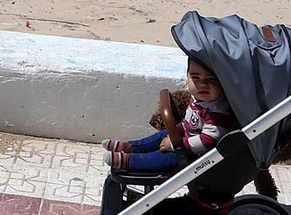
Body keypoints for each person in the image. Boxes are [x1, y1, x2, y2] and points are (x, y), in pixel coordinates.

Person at [102, 59, 238, 173]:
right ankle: (131, 147)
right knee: (163, 135)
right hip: (186, 137)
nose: (202, 84)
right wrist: (179, 129)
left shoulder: (218, 113)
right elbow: (190, 122)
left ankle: (130, 161)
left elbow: (207, 141)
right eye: (195, 78)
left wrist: (174, 145)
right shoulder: (198, 99)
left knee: (166, 158)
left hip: (195, 155)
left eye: (211, 79)